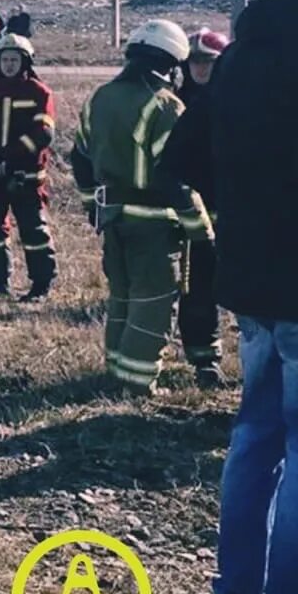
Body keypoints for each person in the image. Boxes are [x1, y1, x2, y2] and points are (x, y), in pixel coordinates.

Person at [198, 0, 298, 594]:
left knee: (256, 434)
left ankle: (238, 593)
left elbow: (186, 153)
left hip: (251, 284)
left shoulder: (240, 57)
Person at [69, 19, 211, 395]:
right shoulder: (165, 106)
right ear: (172, 63)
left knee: (123, 297)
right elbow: (174, 176)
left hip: (112, 218)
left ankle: (116, 370)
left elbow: (79, 157)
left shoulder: (101, 97)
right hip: (154, 226)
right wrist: (201, 228)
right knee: (153, 303)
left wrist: (92, 206)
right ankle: (135, 384)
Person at [0, 33, 57, 301]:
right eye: (5, 59)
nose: (10, 64)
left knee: (33, 231)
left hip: (25, 177)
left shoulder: (40, 93)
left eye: (15, 59)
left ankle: (41, 284)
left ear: (25, 62)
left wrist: (9, 158)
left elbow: (43, 133)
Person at [158, 28, 228, 386]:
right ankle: (205, 359)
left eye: (208, 62)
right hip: (192, 214)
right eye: (195, 61)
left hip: (237, 213)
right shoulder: (174, 102)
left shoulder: (239, 102)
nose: (200, 69)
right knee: (196, 289)